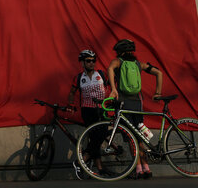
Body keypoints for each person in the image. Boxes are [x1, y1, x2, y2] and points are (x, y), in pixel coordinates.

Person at [107, 39, 162, 179]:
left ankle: (138, 169)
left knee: (130, 137)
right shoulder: (139, 64)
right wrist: (158, 92)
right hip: (137, 102)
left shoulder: (118, 62)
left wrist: (113, 89)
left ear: (120, 52)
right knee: (138, 137)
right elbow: (159, 73)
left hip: (123, 103)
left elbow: (110, 68)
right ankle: (147, 168)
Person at [67, 49, 109, 175]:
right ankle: (100, 168)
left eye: (93, 61)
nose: (91, 63)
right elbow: (71, 93)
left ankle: (82, 160)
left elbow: (111, 87)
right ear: (82, 63)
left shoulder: (101, 74)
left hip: (101, 110)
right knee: (93, 138)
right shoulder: (79, 77)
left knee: (101, 135)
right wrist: (70, 104)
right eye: (88, 61)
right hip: (87, 110)